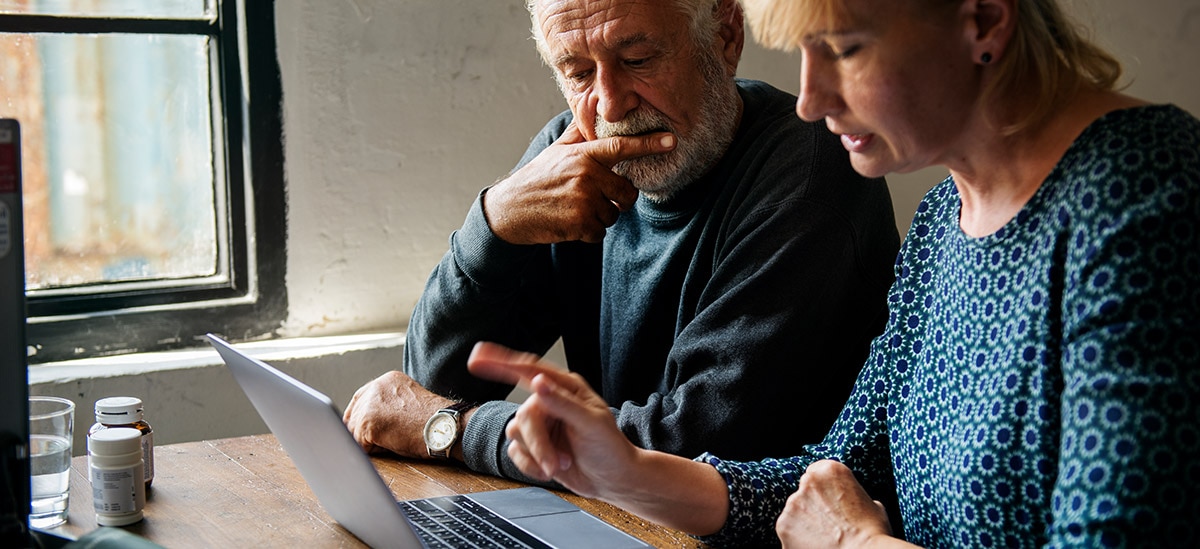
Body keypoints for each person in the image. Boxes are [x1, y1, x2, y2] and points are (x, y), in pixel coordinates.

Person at [467, 0, 1200, 546]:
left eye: (844, 49)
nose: (810, 99)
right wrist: (620, 469)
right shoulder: (949, 213)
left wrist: (855, 542)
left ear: (983, 20)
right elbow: (841, 469)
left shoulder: (1146, 198)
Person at [341, 0, 900, 484]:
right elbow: (432, 380)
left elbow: (694, 449)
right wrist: (492, 224)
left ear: (726, 36)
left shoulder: (813, 176)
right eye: (578, 72)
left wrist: (453, 431)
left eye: (637, 60)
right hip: (618, 518)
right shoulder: (570, 162)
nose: (609, 105)